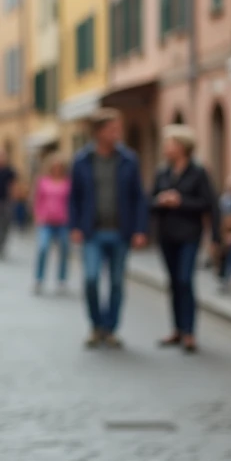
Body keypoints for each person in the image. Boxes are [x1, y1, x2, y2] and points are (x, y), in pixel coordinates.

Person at [68, 108, 149, 349]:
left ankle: (110, 329)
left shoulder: (129, 160)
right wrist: (74, 225)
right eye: (113, 129)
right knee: (91, 279)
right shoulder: (82, 160)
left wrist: (140, 229)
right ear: (99, 132)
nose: (117, 133)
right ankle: (96, 325)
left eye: (118, 129)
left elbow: (138, 197)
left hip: (121, 231)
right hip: (92, 231)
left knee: (116, 282)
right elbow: (75, 197)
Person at [151, 124, 215, 354]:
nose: (166, 148)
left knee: (185, 279)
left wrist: (181, 201)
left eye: (170, 144)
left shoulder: (198, 172)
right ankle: (177, 328)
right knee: (173, 282)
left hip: (189, 234)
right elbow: (151, 201)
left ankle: (189, 332)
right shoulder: (162, 172)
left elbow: (208, 203)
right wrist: (160, 200)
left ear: (182, 147)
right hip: (167, 234)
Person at [32, 155, 71, 294]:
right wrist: (37, 216)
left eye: (59, 166)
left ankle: (62, 280)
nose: (57, 169)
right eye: (54, 166)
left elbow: (72, 203)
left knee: (64, 250)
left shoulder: (68, 183)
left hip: (63, 222)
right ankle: (39, 279)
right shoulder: (43, 181)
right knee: (43, 249)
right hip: (45, 222)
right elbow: (37, 200)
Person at [0, 150, 18, 259]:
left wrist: (13, 199)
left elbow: (13, 185)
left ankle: (3, 244)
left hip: (6, 201)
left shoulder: (9, 170)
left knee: (6, 225)